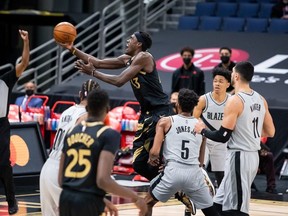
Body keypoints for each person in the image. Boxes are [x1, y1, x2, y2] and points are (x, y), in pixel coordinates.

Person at [59, 31, 193, 215]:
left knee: (155, 159)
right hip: (146, 114)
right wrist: (72, 49)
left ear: (139, 44)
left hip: (159, 113)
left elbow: (119, 80)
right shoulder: (128, 58)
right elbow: (96, 61)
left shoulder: (144, 57)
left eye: (131, 38)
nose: (127, 40)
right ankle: (175, 187)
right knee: (138, 164)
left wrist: (94, 73)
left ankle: (180, 186)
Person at [194, 61, 275, 215]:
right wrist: (247, 132)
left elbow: (222, 136)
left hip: (239, 156)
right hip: (251, 156)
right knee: (218, 206)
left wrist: (202, 130)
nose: (231, 75)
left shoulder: (235, 100)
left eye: (231, 73)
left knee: (237, 209)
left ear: (236, 76)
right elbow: (270, 132)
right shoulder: (260, 99)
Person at [58, 88, 147, 216]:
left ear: (87, 108)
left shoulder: (71, 132)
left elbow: (61, 180)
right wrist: (135, 197)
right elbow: (103, 180)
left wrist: (100, 199)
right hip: (87, 202)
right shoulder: (108, 134)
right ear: (107, 109)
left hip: (65, 198)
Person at [146, 88, 219, 216]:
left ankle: (181, 194)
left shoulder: (165, 122)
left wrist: (152, 159)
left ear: (177, 104)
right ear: (195, 106)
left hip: (173, 171)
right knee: (211, 211)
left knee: (147, 203)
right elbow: (201, 161)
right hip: (194, 173)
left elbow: (155, 152)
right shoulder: (201, 126)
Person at [40, 79, 101, 216]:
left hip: (48, 167)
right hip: (64, 169)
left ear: (80, 94)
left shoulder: (67, 111)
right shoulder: (88, 115)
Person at [0, 29, 29, 215]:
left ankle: (12, 200)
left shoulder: (5, 80)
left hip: (1, 124)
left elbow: (25, 62)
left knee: (3, 164)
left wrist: (26, 42)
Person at [193, 68, 231, 187]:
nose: (217, 84)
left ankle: (221, 201)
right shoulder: (204, 99)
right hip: (205, 139)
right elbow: (193, 118)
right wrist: (199, 122)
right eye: (215, 81)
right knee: (199, 170)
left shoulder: (231, 100)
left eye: (220, 81)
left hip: (221, 140)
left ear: (228, 84)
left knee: (221, 174)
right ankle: (195, 198)